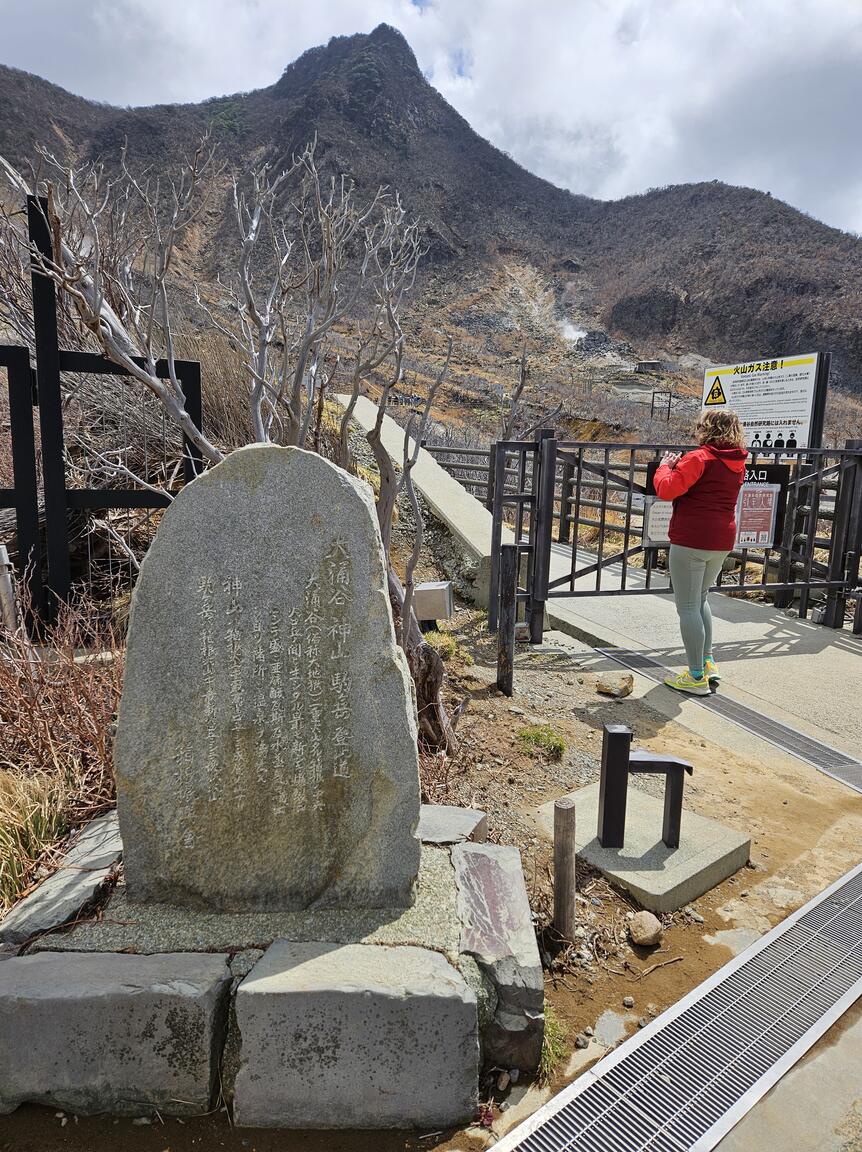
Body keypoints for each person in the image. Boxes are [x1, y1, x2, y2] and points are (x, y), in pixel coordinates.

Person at [653, 409, 748, 695]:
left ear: (706, 428)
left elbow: (667, 490)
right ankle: (707, 662)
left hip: (691, 539)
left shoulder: (699, 458)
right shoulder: (738, 462)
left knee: (687, 607)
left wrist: (665, 466)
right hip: (721, 540)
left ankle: (695, 677)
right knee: (701, 598)